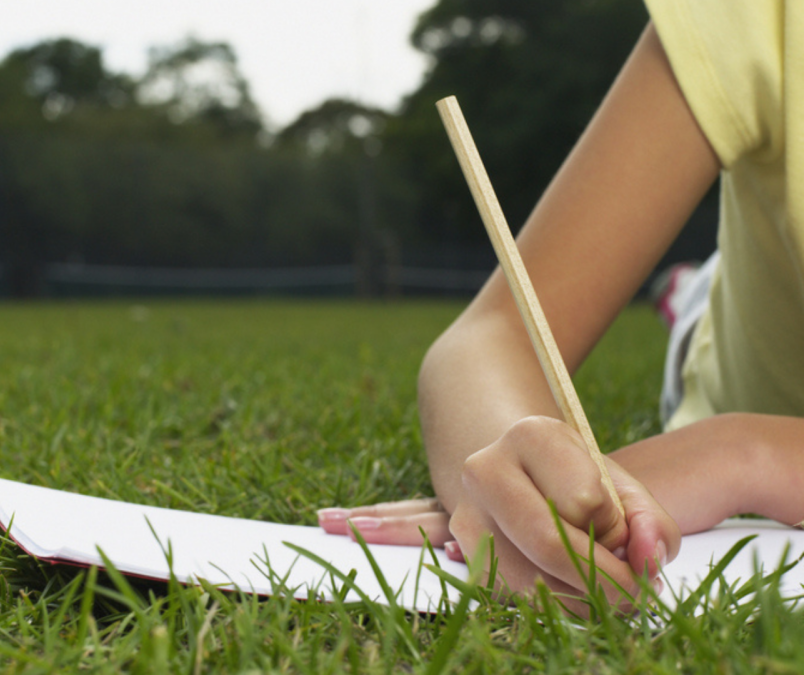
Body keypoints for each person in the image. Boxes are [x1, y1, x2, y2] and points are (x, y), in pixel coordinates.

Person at [318, 0, 804, 609]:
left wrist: (746, 452)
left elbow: (749, 454)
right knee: (703, 307)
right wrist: (517, 481)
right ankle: (688, 294)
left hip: (744, 408)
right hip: (738, 336)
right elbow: (495, 335)